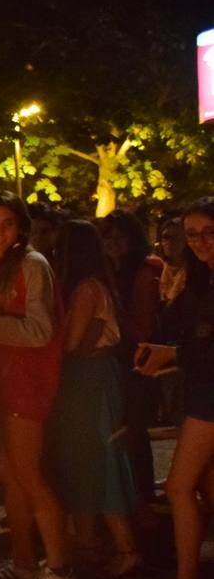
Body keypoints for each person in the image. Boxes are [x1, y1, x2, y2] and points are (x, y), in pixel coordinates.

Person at [0, 191, 72, 579]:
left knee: (29, 475)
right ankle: (24, 558)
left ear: (21, 227)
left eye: (7, 223)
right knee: (10, 477)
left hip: (27, 385)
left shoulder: (32, 265)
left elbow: (39, 330)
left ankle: (61, 568)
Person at [133, 197, 214, 579]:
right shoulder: (197, 278)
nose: (200, 242)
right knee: (206, 490)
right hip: (200, 392)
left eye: (208, 232)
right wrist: (167, 356)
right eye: (193, 234)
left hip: (209, 401)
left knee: (180, 486)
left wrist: (174, 357)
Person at [46, 221, 139, 577]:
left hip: (91, 380)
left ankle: (125, 547)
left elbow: (70, 343)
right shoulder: (98, 285)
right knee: (88, 461)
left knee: (103, 461)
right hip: (94, 378)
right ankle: (90, 542)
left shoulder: (86, 289)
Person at [99, 210, 163, 507]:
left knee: (134, 428)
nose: (112, 243)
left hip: (137, 359)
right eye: (107, 236)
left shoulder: (142, 272)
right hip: (118, 358)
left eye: (119, 236)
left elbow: (143, 326)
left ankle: (143, 495)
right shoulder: (113, 270)